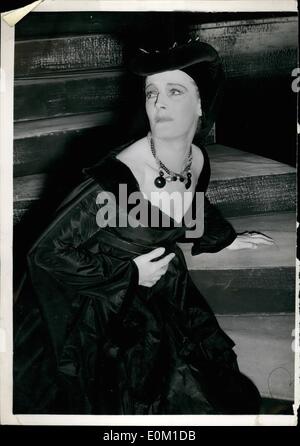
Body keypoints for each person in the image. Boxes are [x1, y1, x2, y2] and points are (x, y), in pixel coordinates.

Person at [13, 39, 273, 415]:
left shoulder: (196, 158)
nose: (159, 102)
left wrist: (225, 239)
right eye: (151, 92)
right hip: (99, 299)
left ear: (201, 104)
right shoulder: (116, 180)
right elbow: (45, 253)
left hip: (157, 286)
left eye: (174, 91)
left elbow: (188, 207)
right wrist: (127, 275)